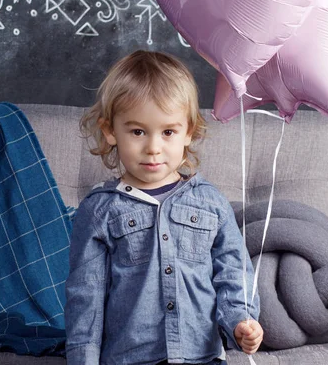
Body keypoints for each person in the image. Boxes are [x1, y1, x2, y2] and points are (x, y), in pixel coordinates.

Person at [64, 50, 263, 365]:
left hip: (203, 356)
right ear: (110, 131)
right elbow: (85, 298)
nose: (153, 147)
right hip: (130, 358)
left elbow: (233, 270)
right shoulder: (100, 210)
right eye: (138, 131)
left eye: (168, 132)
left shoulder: (210, 202)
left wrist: (241, 320)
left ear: (189, 132)